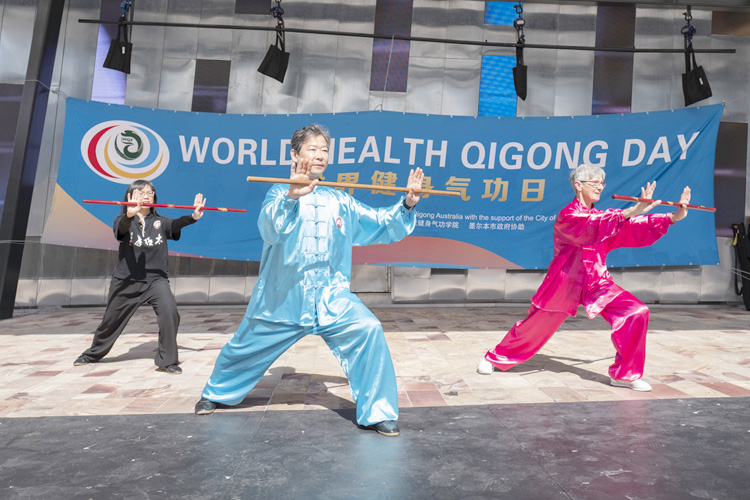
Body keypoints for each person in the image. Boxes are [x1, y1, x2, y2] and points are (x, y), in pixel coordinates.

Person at [194, 123, 424, 437]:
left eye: (324, 150)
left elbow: (382, 224)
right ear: (295, 154)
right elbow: (271, 230)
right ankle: (216, 393)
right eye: (312, 149)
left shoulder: (340, 200)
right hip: (283, 298)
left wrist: (407, 204)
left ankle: (378, 412)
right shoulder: (278, 191)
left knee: (368, 329)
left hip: (333, 297)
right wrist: (291, 196)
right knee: (243, 347)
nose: (319, 155)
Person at [477, 163, 691, 391]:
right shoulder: (568, 215)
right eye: (595, 182)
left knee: (636, 312)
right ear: (578, 185)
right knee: (535, 326)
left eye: (602, 183)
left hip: (597, 281)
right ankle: (495, 357)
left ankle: (624, 374)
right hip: (565, 282)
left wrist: (672, 217)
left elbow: (627, 227)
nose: (600, 187)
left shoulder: (602, 216)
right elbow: (593, 225)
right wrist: (631, 211)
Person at [74, 180, 206, 374]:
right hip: (126, 281)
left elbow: (177, 224)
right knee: (110, 321)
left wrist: (193, 217)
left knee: (170, 312)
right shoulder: (124, 221)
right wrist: (129, 213)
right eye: (142, 192)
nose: (147, 195)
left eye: (151, 192)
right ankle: (93, 353)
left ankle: (168, 361)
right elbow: (120, 229)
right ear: (131, 195)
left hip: (156, 281)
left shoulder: (161, 222)